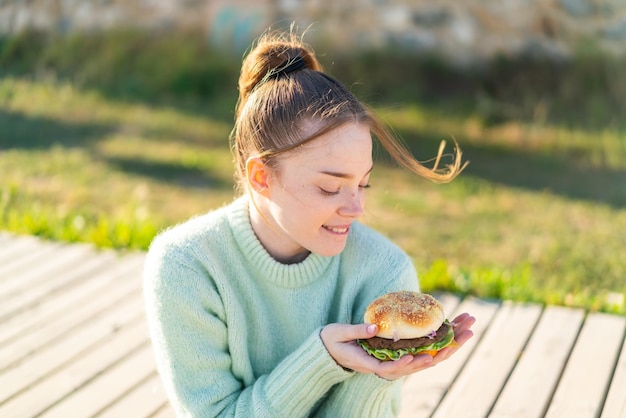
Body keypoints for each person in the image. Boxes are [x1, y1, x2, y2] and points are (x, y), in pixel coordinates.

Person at [143, 29, 475, 418]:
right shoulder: (188, 266)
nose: (356, 208)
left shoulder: (385, 271)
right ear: (261, 177)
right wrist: (321, 362)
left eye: (363, 184)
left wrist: (380, 374)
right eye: (330, 188)